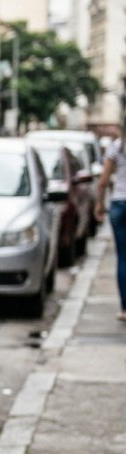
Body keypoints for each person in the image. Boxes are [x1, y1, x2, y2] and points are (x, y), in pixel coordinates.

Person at [95, 133, 126, 322]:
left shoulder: (117, 146)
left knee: (123, 257)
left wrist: (99, 204)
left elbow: (103, 181)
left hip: (119, 204)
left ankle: (124, 309)